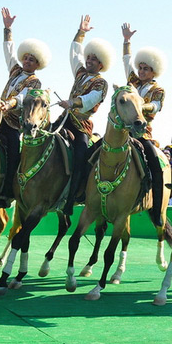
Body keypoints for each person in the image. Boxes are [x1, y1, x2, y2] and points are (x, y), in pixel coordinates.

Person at [0, 8, 50, 206]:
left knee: (12, 153)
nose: (27, 61)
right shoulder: (15, 70)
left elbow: (22, 97)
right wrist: (7, 29)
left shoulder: (36, 83)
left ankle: (7, 193)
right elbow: (8, 51)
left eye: (32, 60)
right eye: (26, 57)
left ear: (38, 64)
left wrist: (9, 104)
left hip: (12, 122)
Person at [57, 15, 111, 206]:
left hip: (81, 126)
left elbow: (91, 100)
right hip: (64, 119)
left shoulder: (101, 83)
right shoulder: (80, 73)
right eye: (88, 57)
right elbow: (74, 54)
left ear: (101, 64)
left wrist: (72, 103)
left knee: (81, 157)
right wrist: (81, 33)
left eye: (94, 59)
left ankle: (73, 197)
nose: (89, 61)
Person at [121, 22, 168, 225]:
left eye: (145, 69)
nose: (140, 71)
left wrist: (140, 104)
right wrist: (126, 42)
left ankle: (157, 211)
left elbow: (155, 107)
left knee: (156, 169)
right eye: (140, 67)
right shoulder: (133, 82)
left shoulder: (158, 90)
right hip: (122, 132)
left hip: (142, 134)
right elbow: (126, 62)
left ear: (153, 71)